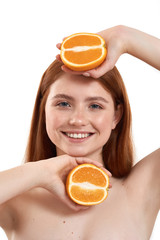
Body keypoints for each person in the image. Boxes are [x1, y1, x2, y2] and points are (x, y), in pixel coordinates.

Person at [0, 25, 159, 240]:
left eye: (95, 106)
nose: (77, 120)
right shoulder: (16, 201)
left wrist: (126, 38)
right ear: (43, 110)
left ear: (116, 116)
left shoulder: (141, 190)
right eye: (64, 103)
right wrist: (40, 172)